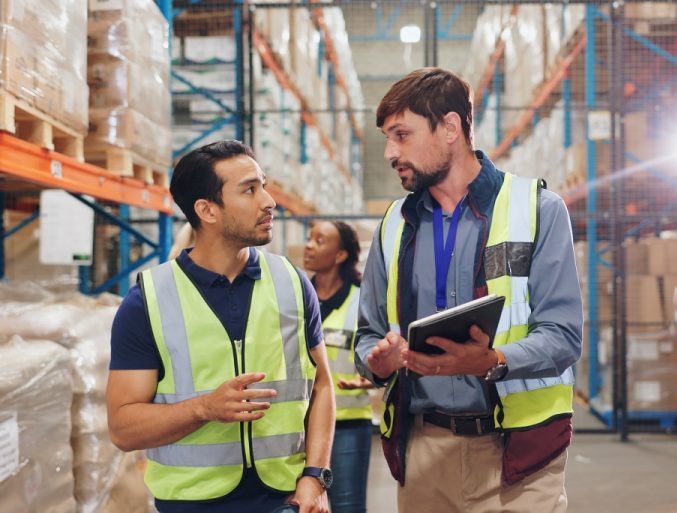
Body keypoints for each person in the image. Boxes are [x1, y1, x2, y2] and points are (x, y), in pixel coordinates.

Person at [354, 68, 583, 513]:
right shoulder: (393, 226)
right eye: (387, 138)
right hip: (424, 451)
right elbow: (368, 333)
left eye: (402, 135)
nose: (389, 152)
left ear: (451, 127)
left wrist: (495, 361)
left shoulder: (538, 210)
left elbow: (563, 335)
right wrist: (375, 361)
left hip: (520, 457)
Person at [106, 140, 335, 513]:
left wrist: (315, 476)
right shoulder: (147, 301)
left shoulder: (292, 283)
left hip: (286, 499)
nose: (269, 201)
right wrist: (203, 408)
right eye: (250, 189)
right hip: (192, 504)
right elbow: (122, 427)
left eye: (263, 185)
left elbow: (322, 383)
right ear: (206, 210)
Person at [303, 220, 373, 513]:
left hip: (348, 424)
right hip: (301, 424)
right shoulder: (296, 296)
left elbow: (377, 351)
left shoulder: (362, 300)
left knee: (347, 506)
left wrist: (373, 376)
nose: (309, 245)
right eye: (309, 238)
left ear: (341, 255)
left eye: (319, 240)